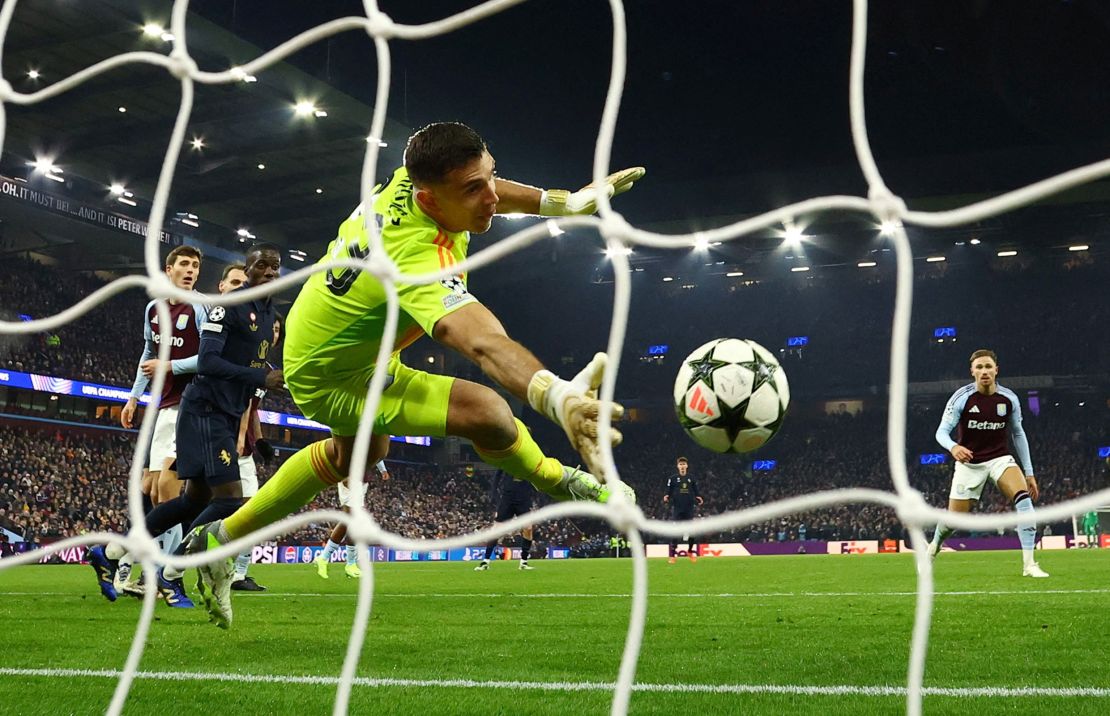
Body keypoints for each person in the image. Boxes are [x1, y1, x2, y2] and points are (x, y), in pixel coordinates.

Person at [186, 121, 643, 628]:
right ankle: (570, 484)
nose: (491, 196)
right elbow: (479, 340)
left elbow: (486, 187)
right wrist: (554, 395)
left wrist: (563, 202)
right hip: (331, 372)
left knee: (355, 453)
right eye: (473, 190)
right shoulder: (417, 258)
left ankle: (218, 542)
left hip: (339, 338)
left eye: (489, 177)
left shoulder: (415, 176)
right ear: (429, 200)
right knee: (487, 413)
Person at [90, 245, 284, 609]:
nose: (269, 271)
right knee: (228, 499)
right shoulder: (226, 307)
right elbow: (208, 361)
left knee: (193, 499)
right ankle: (172, 571)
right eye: (261, 265)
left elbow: (250, 368)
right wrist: (260, 376)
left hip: (225, 411)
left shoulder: (268, 310)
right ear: (248, 268)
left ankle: (112, 551)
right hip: (203, 409)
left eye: (275, 266)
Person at [88, 246, 205, 601]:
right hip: (166, 407)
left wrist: (169, 369)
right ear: (168, 269)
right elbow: (148, 353)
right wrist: (133, 397)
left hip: (190, 405)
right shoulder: (154, 309)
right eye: (183, 264)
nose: (189, 270)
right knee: (156, 490)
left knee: (163, 490)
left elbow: (207, 358)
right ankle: (139, 567)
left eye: (195, 266)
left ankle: (130, 564)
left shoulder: (199, 308)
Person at [928, 349, 1048, 577]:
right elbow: (941, 432)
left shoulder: (1009, 398)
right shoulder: (961, 398)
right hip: (970, 464)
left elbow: (1018, 434)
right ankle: (933, 547)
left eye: (988, 367)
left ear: (996, 370)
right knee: (954, 520)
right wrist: (953, 447)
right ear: (972, 372)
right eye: (979, 367)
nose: (984, 371)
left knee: (1024, 502)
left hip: (1000, 459)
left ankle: (1029, 564)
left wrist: (1029, 473)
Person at [313, 459, 390, 580]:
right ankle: (337, 561)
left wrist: (382, 469)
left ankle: (340, 562)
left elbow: (375, 453)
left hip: (361, 479)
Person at [474, 469, 539, 571]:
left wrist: (536, 495)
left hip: (523, 498)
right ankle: (485, 561)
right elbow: (497, 474)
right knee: (496, 530)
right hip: (507, 498)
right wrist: (494, 494)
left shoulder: (529, 460)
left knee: (528, 528)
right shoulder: (508, 458)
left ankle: (524, 562)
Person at [663, 457, 702, 564]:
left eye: (684, 464)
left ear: (687, 466)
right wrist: (666, 496)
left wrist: (698, 496)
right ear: (677, 466)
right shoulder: (673, 478)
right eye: (680, 464)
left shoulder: (691, 478)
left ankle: (690, 551)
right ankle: (672, 555)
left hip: (689, 508)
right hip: (677, 508)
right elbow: (668, 490)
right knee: (676, 532)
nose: (682, 466)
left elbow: (696, 490)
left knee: (692, 532)